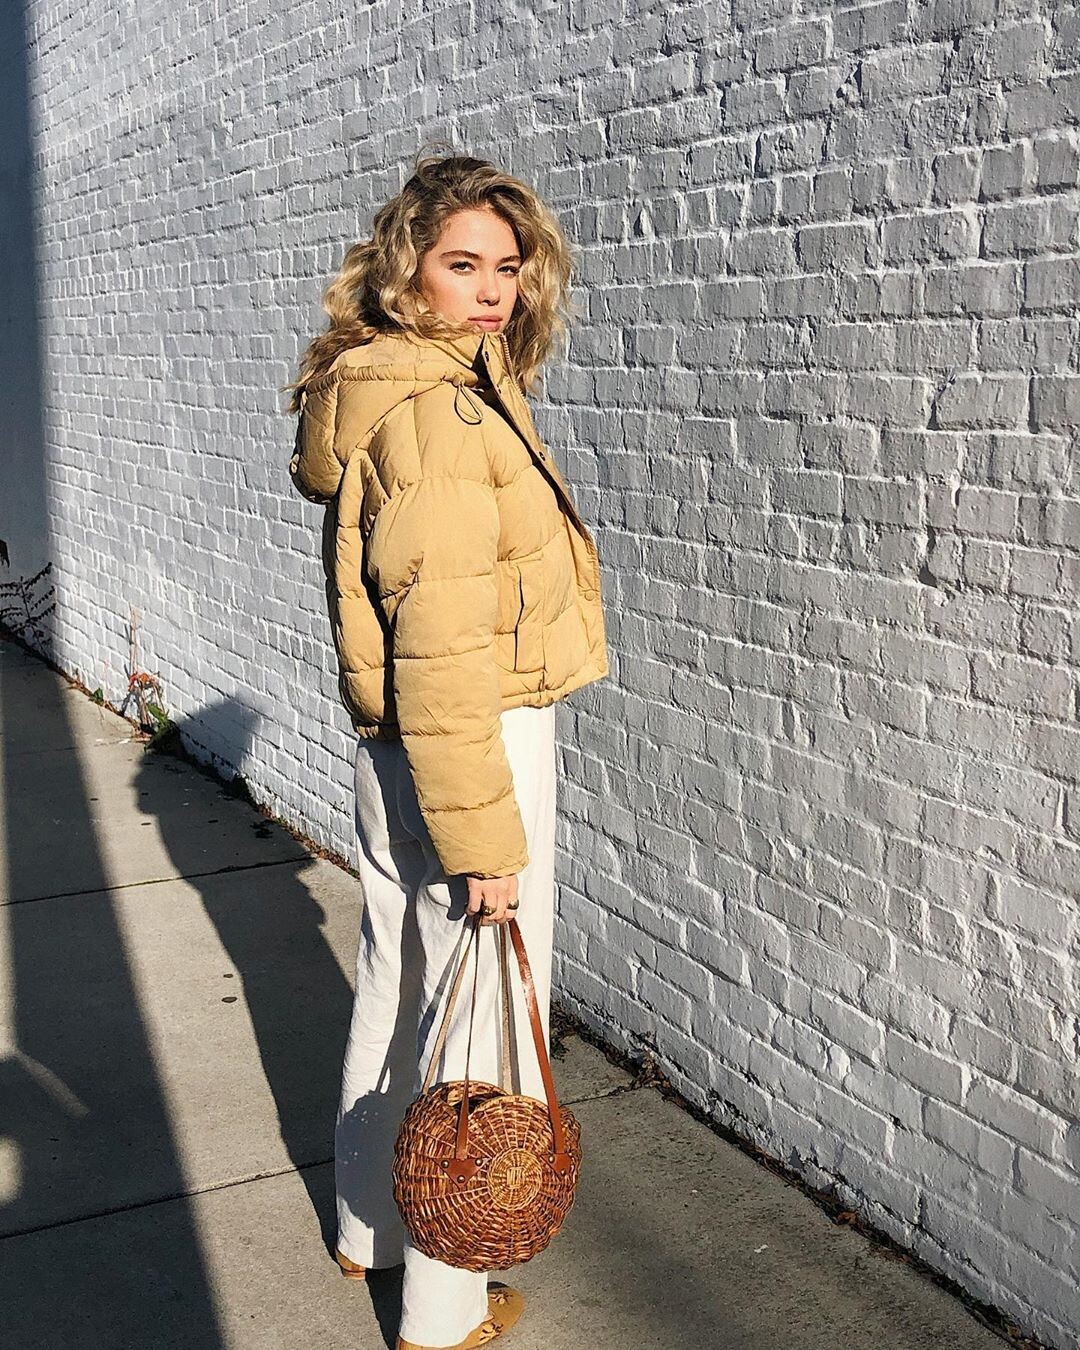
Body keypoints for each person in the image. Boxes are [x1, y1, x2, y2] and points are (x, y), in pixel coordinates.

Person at [284, 150, 609, 1350]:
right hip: (473, 734)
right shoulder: (440, 413)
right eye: (461, 264)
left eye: (507, 268)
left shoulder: (385, 385)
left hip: (400, 744)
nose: (492, 290)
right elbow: (441, 641)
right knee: (474, 1015)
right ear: (404, 269)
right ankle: (441, 1308)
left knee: (400, 975)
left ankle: (367, 1224)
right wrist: (484, 839)